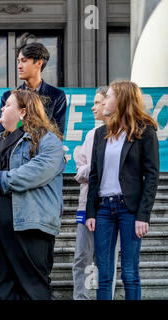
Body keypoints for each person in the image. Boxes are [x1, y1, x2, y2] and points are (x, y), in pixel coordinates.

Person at [0, 89, 65, 300]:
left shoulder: (47, 141)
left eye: (8, 105)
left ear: (23, 111)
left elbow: (39, 170)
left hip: (27, 225)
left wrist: (0, 179)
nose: (2, 108)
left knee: (33, 289)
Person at [86, 81, 159, 300]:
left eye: (108, 97)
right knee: (104, 274)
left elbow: (152, 175)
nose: (104, 101)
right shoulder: (100, 134)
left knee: (130, 272)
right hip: (104, 209)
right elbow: (94, 175)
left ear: (122, 100)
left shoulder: (144, 131)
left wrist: (143, 215)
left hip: (130, 209)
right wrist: (91, 211)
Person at [72, 86, 112, 300]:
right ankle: (83, 297)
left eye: (97, 102)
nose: (93, 106)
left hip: (112, 207)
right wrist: (95, 168)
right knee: (83, 258)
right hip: (86, 204)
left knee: (104, 260)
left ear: (110, 102)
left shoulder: (122, 134)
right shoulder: (92, 135)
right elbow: (81, 171)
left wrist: (94, 169)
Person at [0, 33, 67, 136]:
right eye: (18, 61)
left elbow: (57, 134)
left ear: (39, 63)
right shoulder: (8, 96)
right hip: (15, 150)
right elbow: (4, 134)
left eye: (24, 61)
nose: (19, 66)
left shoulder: (57, 96)